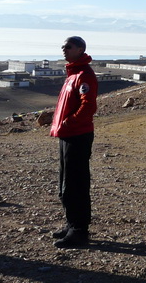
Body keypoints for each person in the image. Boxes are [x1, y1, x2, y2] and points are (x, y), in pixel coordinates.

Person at [49, 36, 98, 248]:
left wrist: (69, 122)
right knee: (66, 182)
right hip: (67, 134)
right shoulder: (72, 74)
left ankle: (79, 230)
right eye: (63, 46)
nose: (64, 49)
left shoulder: (84, 75)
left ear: (80, 49)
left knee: (76, 182)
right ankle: (71, 224)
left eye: (68, 46)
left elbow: (88, 107)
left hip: (77, 135)